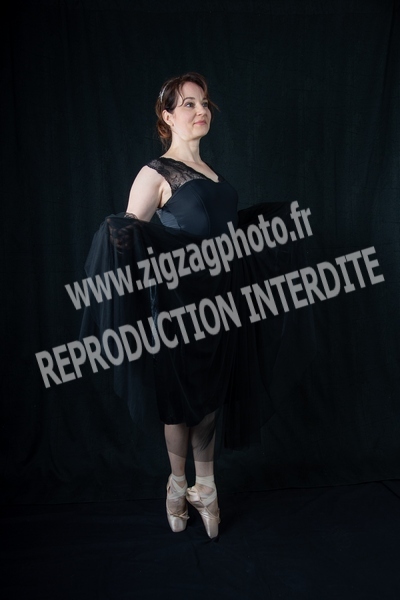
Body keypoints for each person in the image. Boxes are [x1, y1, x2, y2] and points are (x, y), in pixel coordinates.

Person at [82, 72, 314, 540]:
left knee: (210, 401)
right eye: (188, 103)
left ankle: (205, 486)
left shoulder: (214, 175)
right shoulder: (156, 172)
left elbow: (222, 232)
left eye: (204, 102)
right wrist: (123, 235)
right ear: (168, 117)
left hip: (222, 304)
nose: (201, 110)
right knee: (179, 405)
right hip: (178, 307)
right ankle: (176, 483)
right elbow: (131, 233)